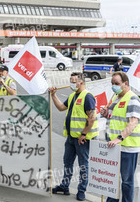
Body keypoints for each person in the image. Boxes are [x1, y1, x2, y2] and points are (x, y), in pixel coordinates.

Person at [49, 72, 98, 201]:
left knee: (83, 165)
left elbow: (91, 118)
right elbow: (60, 107)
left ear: (81, 82)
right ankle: (64, 186)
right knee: (68, 162)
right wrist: (53, 95)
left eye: (73, 81)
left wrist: (83, 134)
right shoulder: (72, 96)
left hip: (82, 139)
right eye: (70, 80)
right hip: (71, 137)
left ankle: (81, 190)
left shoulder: (87, 97)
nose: (70, 83)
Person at [101, 72, 140, 202]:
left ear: (126, 83)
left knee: (126, 181)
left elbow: (133, 123)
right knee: (112, 178)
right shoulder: (117, 97)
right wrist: (105, 113)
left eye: (117, 84)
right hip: (115, 146)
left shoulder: (132, 99)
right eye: (112, 84)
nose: (114, 86)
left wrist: (119, 138)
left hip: (127, 147)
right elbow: (116, 118)